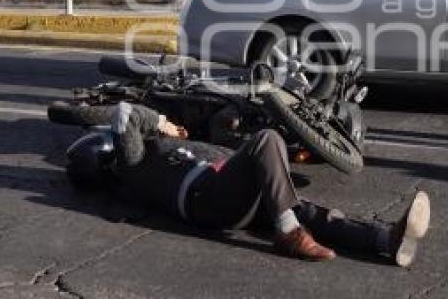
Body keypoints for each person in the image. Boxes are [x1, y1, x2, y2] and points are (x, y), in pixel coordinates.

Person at [90, 100, 430, 266]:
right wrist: (162, 122)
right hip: (205, 200)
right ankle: (287, 235)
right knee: (266, 140)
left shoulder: (173, 152)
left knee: (303, 211)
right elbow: (124, 113)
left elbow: (226, 147)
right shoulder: (132, 165)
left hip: (226, 191)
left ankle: (385, 239)